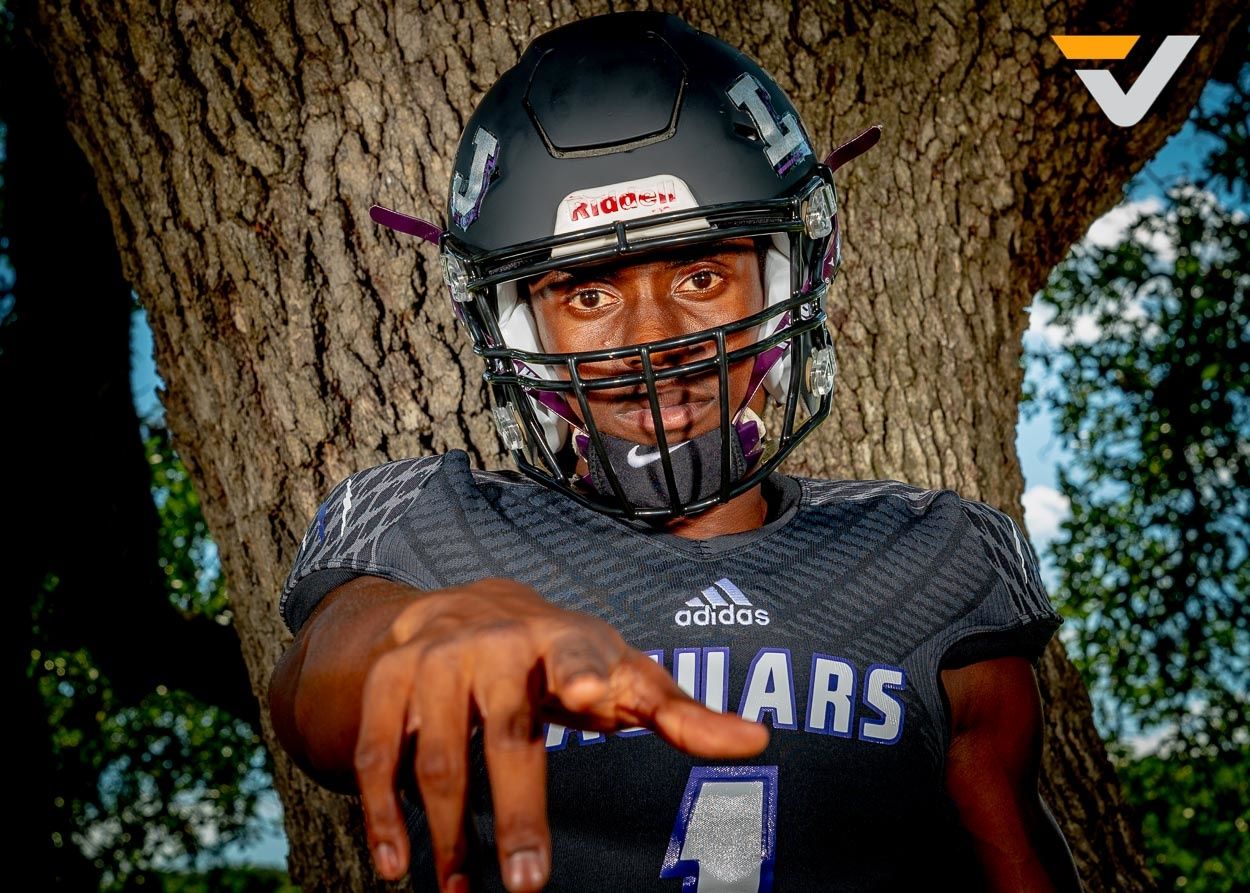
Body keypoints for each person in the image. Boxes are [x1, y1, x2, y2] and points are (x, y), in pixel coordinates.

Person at [267, 11, 1082, 893]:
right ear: (518, 326)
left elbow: (1017, 864)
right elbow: (312, 701)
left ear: (782, 280)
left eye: (701, 276)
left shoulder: (932, 557)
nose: (652, 338)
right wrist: (418, 636)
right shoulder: (434, 526)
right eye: (588, 295)